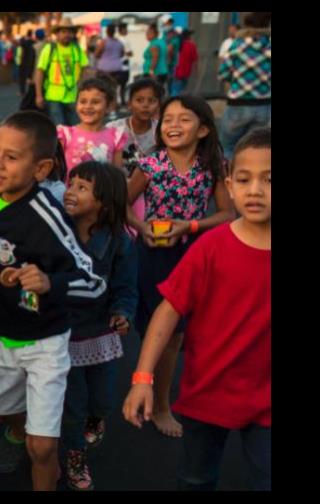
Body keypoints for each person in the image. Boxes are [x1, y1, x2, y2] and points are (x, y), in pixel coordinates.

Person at [0, 111, 106, 491]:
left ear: (42, 168)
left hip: (44, 342)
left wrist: (51, 282)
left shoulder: (47, 217)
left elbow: (94, 283)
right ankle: (17, 431)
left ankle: (41, 453)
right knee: (4, 411)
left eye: (11, 158)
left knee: (42, 447)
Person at [124, 128, 271, 491]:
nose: (255, 189)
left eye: (269, 179)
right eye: (244, 179)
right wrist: (143, 377)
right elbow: (168, 310)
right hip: (207, 390)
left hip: (267, 396)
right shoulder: (210, 247)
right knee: (195, 477)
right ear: (230, 186)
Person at [125, 96, 236, 438]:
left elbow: (227, 214)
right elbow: (123, 205)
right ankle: (154, 393)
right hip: (153, 253)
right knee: (160, 330)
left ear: (203, 129)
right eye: (168, 119)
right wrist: (143, 228)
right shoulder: (150, 164)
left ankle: (162, 401)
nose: (172, 125)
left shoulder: (213, 165)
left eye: (183, 120)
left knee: (180, 334)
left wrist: (188, 227)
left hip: (195, 252)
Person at [60, 161, 137, 491]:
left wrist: (122, 312)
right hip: (64, 334)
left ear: (103, 201)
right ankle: (75, 458)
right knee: (72, 405)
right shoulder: (56, 230)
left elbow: (126, 287)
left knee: (102, 399)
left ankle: (97, 417)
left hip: (100, 333)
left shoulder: (120, 241)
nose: (70, 191)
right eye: (70, 183)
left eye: (81, 187)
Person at [107, 78, 163, 229]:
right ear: (129, 104)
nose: (145, 105)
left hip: (151, 194)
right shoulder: (113, 129)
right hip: (119, 190)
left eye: (152, 101)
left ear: (158, 105)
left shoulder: (162, 132)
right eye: (139, 100)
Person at [218, 12, 271, 159]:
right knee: (256, 148)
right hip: (264, 105)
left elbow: (223, 74)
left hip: (238, 103)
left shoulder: (237, 46)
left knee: (227, 146)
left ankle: (228, 178)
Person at [57, 77, 127, 174]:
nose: (88, 106)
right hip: (71, 189)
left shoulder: (115, 136)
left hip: (103, 189)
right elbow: (57, 170)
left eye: (95, 102)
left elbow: (117, 174)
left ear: (108, 107)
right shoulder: (66, 134)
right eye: (83, 101)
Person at [35, 18, 89, 126]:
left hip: (73, 95)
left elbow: (85, 67)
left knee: (76, 127)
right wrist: (39, 95)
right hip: (53, 96)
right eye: (63, 31)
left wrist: (80, 85)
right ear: (57, 34)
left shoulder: (77, 49)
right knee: (60, 129)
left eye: (69, 32)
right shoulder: (50, 49)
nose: (67, 35)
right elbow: (40, 72)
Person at [95, 26, 126, 106]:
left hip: (104, 69)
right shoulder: (119, 42)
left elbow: (97, 54)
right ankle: (114, 106)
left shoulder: (104, 42)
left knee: (103, 89)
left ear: (107, 32)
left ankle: (105, 106)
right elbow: (122, 54)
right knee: (114, 88)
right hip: (117, 68)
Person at [170, 30, 198, 97]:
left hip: (177, 70)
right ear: (188, 36)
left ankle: (173, 103)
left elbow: (169, 49)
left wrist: (171, 59)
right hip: (186, 71)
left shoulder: (178, 43)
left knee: (175, 90)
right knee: (181, 90)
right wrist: (196, 72)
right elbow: (195, 60)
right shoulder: (191, 45)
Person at [143, 24, 169, 89]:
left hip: (155, 73)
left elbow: (155, 58)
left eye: (148, 33)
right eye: (146, 33)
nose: (146, 35)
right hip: (163, 71)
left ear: (154, 34)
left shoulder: (154, 44)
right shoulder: (161, 42)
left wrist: (151, 71)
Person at [116, 24, 133, 107]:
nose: (127, 31)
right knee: (123, 83)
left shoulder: (116, 39)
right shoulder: (125, 40)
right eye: (126, 29)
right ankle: (122, 101)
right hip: (124, 62)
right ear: (122, 30)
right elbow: (130, 53)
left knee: (117, 84)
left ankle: (118, 101)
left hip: (116, 64)